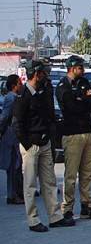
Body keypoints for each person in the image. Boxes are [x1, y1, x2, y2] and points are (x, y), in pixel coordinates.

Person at [14, 62, 74, 232]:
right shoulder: (23, 95)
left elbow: (49, 116)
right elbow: (17, 124)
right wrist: (28, 144)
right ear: (36, 74)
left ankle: (55, 217)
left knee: (49, 182)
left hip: (45, 143)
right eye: (43, 73)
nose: (46, 76)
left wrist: (48, 137)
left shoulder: (43, 91)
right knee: (30, 185)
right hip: (31, 146)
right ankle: (33, 220)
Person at [55, 55, 91, 220]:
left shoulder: (84, 82)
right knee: (71, 175)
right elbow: (72, 107)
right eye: (80, 67)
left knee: (87, 173)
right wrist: (86, 99)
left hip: (88, 131)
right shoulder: (63, 86)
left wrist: (87, 98)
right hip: (72, 134)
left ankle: (87, 205)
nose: (83, 70)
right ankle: (67, 208)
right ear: (72, 68)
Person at [0, 74, 24, 205]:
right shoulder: (11, 98)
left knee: (16, 165)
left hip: (14, 135)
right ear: (14, 86)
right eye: (19, 83)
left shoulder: (15, 97)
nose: (21, 85)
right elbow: (4, 117)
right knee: (13, 165)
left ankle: (16, 193)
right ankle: (12, 195)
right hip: (11, 135)